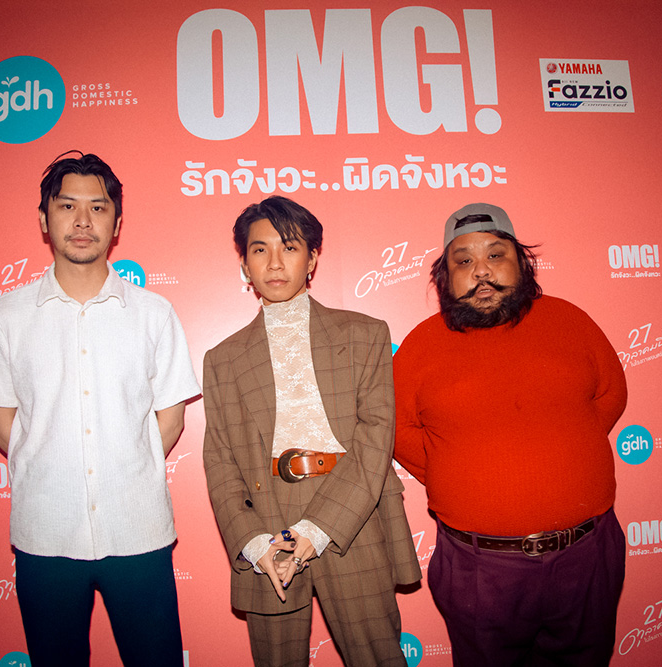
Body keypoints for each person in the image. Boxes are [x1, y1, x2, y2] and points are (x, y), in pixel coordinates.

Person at [0, 151, 199, 666]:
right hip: (45, 534)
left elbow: (171, 417)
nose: (82, 220)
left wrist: (126, 462)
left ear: (117, 222)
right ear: (43, 218)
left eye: (98, 207)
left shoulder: (153, 314)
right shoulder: (7, 316)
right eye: (67, 205)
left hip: (138, 531)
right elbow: (2, 421)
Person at [393, 203, 628, 666]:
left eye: (495, 255)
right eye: (463, 260)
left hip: (587, 556)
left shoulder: (571, 320)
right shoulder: (420, 345)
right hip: (479, 568)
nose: (481, 271)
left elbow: (609, 397)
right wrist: (460, 470)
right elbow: (400, 432)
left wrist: (560, 452)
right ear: (445, 277)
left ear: (521, 262)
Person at [202, 196, 421, 667]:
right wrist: (251, 541)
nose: (274, 263)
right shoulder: (222, 359)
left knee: (378, 658)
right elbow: (219, 460)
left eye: (289, 247)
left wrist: (319, 528)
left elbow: (375, 439)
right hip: (266, 524)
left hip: (353, 513)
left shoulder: (365, 334)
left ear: (313, 258)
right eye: (259, 250)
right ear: (244, 264)